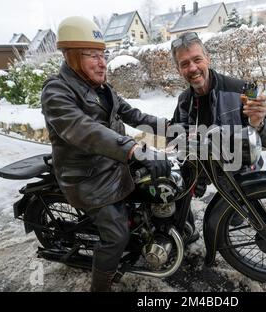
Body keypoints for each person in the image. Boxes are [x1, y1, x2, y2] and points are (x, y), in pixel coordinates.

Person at [41, 16, 171, 292]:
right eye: (92, 55)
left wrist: (172, 129)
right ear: (73, 56)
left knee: (165, 189)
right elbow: (84, 129)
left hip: (113, 164)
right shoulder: (56, 91)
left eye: (103, 54)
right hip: (87, 178)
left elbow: (134, 115)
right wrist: (133, 149)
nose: (102, 62)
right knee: (116, 235)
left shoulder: (103, 89)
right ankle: (100, 287)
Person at [168, 32, 266, 228]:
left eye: (197, 60)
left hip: (238, 172)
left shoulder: (244, 88)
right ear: (178, 70)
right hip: (201, 170)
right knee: (172, 192)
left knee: (238, 221)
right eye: (184, 64)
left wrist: (258, 121)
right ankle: (185, 233)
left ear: (207, 59)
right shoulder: (184, 100)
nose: (192, 68)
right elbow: (175, 137)